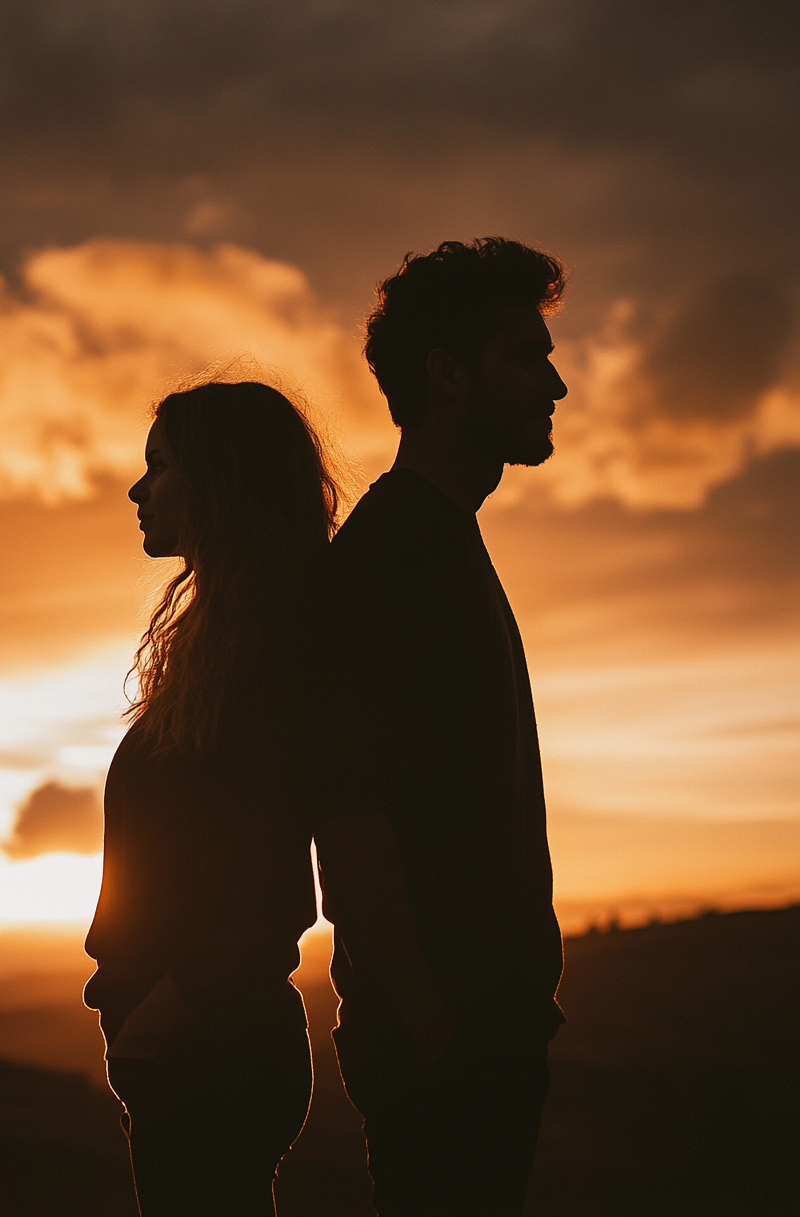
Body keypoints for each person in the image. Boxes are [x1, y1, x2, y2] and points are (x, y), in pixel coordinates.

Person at [315, 238, 568, 1216]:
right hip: (447, 1042)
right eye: (525, 355)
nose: (554, 383)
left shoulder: (439, 538)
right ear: (448, 376)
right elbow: (348, 809)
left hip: (482, 1027)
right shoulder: (392, 557)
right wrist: (431, 1022)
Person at [83, 380, 341, 1217]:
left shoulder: (257, 657)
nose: (137, 488)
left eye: (160, 466)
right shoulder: (225, 643)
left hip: (211, 1049)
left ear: (220, 483)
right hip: (197, 1046)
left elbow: (265, 883)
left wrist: (162, 1012)